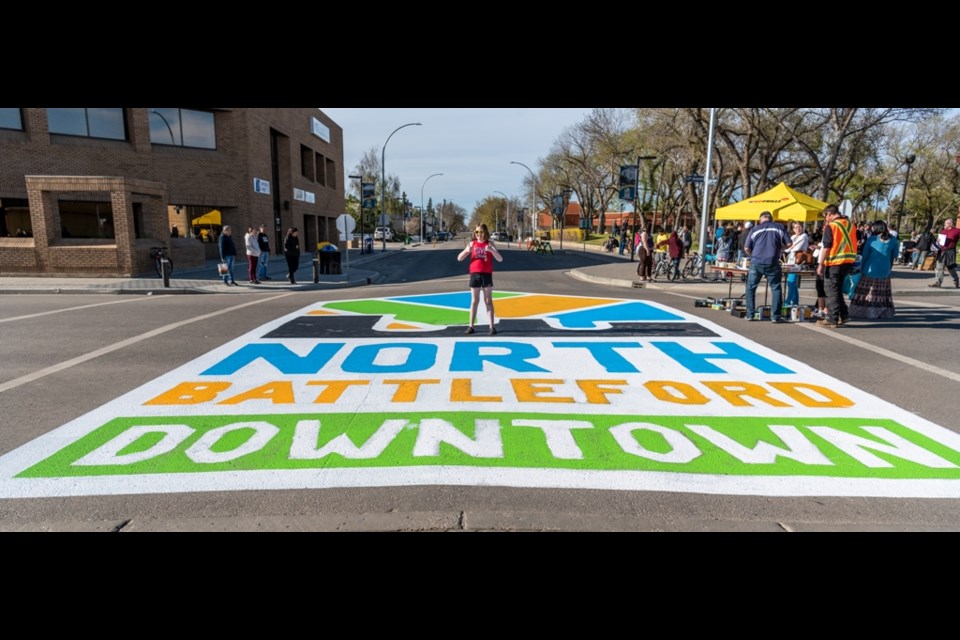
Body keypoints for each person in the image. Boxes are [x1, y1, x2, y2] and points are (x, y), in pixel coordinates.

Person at [744, 211, 793, 323]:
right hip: (773, 261)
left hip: (756, 262)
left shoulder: (755, 229)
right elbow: (789, 243)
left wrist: (753, 254)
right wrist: (781, 249)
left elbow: (747, 248)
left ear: (761, 219)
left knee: (751, 288)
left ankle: (750, 314)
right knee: (776, 288)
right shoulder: (779, 227)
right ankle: (775, 316)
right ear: (771, 218)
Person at [816, 204, 858, 327]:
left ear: (830, 214)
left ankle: (832, 318)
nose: (826, 219)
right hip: (848, 261)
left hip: (835, 261)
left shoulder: (832, 226)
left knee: (831, 290)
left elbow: (827, 246)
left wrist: (820, 264)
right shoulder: (851, 225)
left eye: (826, 216)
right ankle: (843, 315)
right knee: (837, 289)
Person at [457, 223, 503, 335]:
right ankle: (471, 326)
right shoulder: (472, 244)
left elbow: (500, 259)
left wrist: (492, 250)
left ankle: (492, 327)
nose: (479, 234)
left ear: (485, 233)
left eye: (481, 232)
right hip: (475, 274)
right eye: (477, 232)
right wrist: (467, 250)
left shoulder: (490, 244)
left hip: (486, 274)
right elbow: (459, 258)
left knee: (488, 301)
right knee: (474, 301)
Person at [849, 220, 900, 319]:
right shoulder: (893, 240)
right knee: (881, 292)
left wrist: (861, 268)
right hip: (885, 269)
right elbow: (895, 254)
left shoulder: (872, 239)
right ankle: (880, 312)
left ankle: (865, 311)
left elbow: (865, 254)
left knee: (867, 291)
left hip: (869, 269)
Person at [784, 222, 810, 307]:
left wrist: (789, 248)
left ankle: (787, 301)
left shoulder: (804, 236)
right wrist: (789, 248)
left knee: (791, 281)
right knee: (792, 282)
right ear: (793, 229)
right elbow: (787, 248)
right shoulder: (793, 237)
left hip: (798, 262)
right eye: (796, 227)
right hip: (790, 261)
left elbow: (796, 248)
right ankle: (795, 301)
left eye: (799, 227)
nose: (798, 229)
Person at [928, 218, 959, 288]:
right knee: (939, 266)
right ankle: (938, 282)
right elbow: (940, 241)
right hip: (941, 251)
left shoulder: (957, 231)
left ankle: (956, 280)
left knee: (950, 268)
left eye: (946, 223)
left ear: (950, 224)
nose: (944, 224)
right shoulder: (943, 231)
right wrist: (938, 241)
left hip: (950, 251)